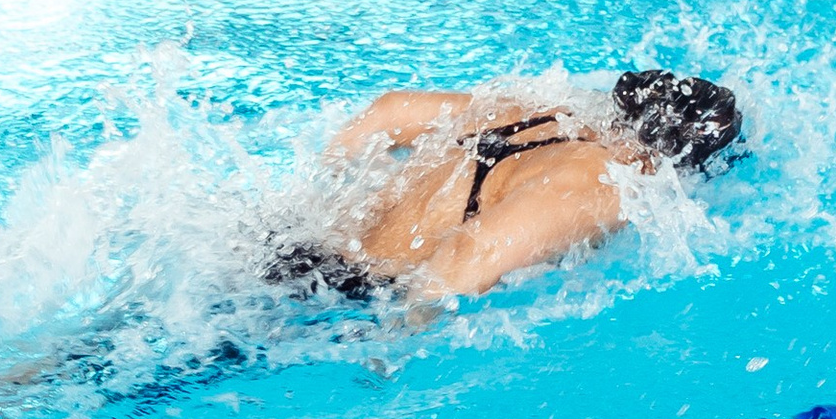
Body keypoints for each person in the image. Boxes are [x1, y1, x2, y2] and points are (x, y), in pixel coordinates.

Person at [266, 69, 741, 310]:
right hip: (344, 301)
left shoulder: (542, 111)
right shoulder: (601, 181)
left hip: (293, 246)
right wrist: (388, 349)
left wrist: (326, 180)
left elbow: (390, 112)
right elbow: (465, 257)